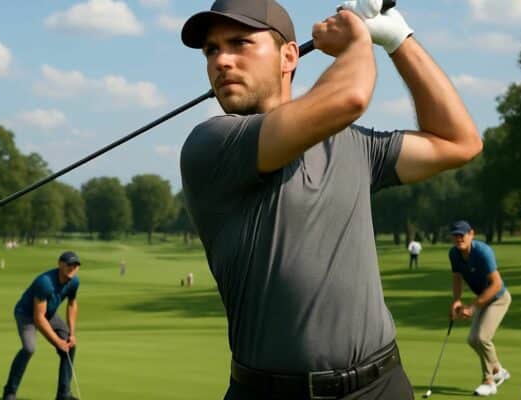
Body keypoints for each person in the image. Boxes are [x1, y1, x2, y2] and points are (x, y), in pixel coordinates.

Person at [179, 0, 482, 398]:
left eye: (239, 43)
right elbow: (350, 97)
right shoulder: (211, 144)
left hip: (381, 385)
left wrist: (397, 39)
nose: (222, 61)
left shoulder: (352, 145)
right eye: (212, 50)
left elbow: (459, 142)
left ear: (289, 56)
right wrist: (359, 36)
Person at [2, 251, 81, 400]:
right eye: (69, 264)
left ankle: (63, 395)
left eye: (76, 265)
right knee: (29, 348)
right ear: (60, 264)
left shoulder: (74, 282)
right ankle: (10, 392)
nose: (73, 268)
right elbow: (38, 318)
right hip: (26, 314)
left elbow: (72, 304)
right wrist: (58, 342)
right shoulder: (45, 282)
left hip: (48, 314)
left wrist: (71, 333)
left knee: (70, 346)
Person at [447, 220, 511, 396]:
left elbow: (497, 284)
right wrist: (457, 300)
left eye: (462, 234)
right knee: (472, 340)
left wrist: (474, 307)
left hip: (498, 298)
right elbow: (457, 277)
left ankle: (489, 382)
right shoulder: (454, 254)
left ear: (471, 234)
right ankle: (498, 370)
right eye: (455, 235)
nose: (459, 238)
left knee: (482, 338)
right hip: (483, 298)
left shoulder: (483, 252)